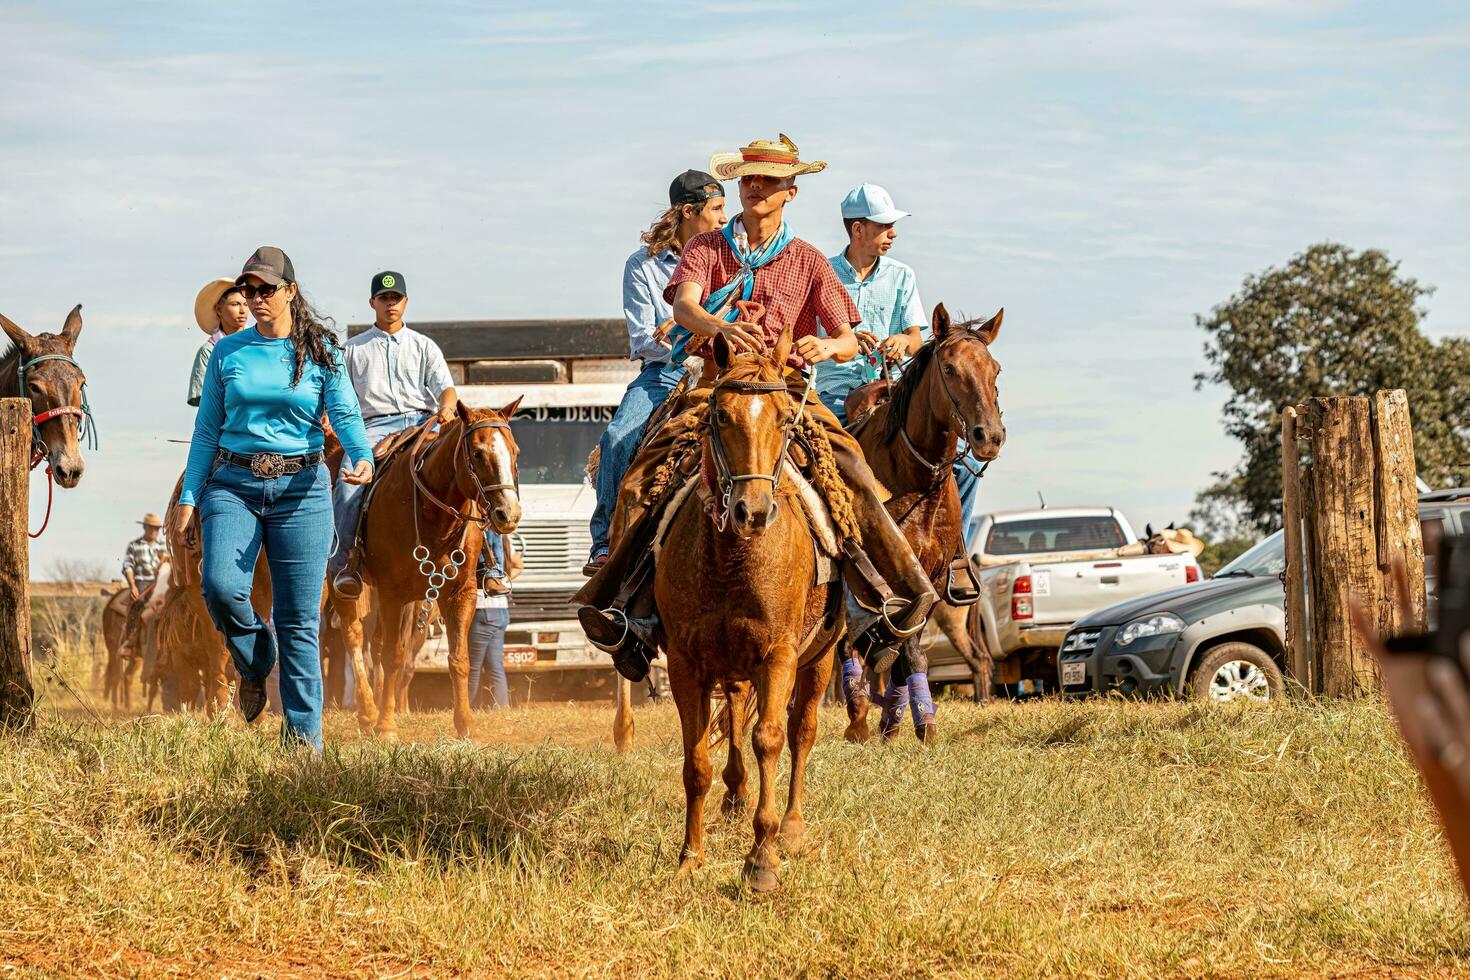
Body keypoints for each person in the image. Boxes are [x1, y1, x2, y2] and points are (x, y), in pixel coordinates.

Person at [575, 134, 938, 683]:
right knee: (638, 478)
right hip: (713, 385)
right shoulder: (705, 249)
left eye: (767, 181)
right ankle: (629, 610)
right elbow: (684, 305)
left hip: (786, 387)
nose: (754, 188)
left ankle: (887, 596)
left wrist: (825, 347)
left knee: (851, 468)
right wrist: (718, 326)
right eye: (747, 179)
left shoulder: (809, 261)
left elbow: (845, 339)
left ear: (790, 192)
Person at [171, 245, 373, 748]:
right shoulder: (228, 351)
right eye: (249, 290)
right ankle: (259, 658)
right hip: (233, 486)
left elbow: (345, 412)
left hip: (302, 491)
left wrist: (359, 455)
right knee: (218, 586)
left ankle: (304, 746)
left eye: (266, 289)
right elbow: (206, 431)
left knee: (300, 621)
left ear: (291, 292)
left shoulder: (322, 350)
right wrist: (190, 495)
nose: (256, 298)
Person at [585, 170, 728, 576]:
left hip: (725, 370)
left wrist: (688, 326)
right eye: (716, 209)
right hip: (666, 373)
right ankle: (603, 542)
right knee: (617, 437)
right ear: (688, 212)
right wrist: (687, 336)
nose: (722, 219)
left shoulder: (729, 256)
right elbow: (642, 339)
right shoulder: (642, 265)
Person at [328, 271, 504, 598]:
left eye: (396, 299)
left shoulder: (424, 346)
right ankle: (344, 565)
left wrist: (447, 410)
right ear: (372, 303)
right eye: (384, 299)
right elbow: (338, 396)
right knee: (349, 482)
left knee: (473, 467)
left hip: (424, 423)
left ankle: (490, 563)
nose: (390, 304)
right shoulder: (351, 350)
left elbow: (446, 390)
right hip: (372, 426)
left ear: (405, 302)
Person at [187, 279, 252, 406]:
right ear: (219, 309)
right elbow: (201, 398)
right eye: (235, 304)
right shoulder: (208, 351)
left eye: (246, 304)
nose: (242, 310)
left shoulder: (259, 343)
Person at [467, 546, 511, 710]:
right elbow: (519, 565)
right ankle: (501, 706)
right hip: (501, 609)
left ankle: (466, 706)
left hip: (482, 607)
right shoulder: (506, 545)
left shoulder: (479, 544)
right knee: (496, 666)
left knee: (473, 666)